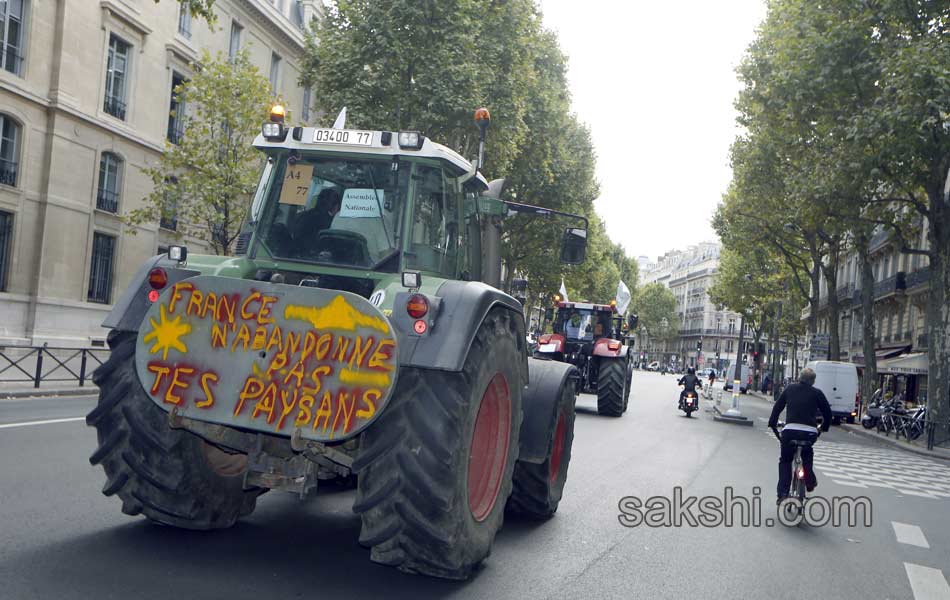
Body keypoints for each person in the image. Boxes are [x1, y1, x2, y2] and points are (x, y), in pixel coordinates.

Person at [768, 368, 832, 505]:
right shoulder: (817, 393)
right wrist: (823, 428)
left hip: (790, 432)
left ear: (799, 377)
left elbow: (777, 408)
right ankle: (809, 481)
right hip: (809, 433)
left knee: (785, 461)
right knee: (807, 456)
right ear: (813, 381)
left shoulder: (790, 389)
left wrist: (773, 424)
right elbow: (828, 413)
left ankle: (782, 494)